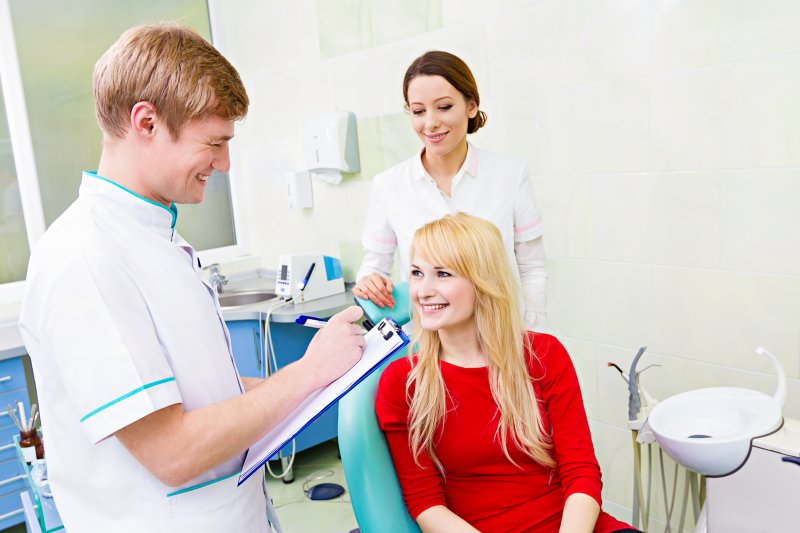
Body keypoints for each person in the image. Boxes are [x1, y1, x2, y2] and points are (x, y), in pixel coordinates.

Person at [17, 23, 365, 532]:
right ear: (147, 122)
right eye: (215, 143)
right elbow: (171, 451)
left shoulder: (154, 237)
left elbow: (200, 390)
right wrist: (306, 373)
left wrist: (314, 383)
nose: (224, 164)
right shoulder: (84, 258)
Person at [375, 213, 638, 532]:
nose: (423, 291)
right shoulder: (404, 382)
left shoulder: (543, 355)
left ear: (482, 283)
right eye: (417, 273)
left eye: (443, 274)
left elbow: (581, 472)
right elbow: (425, 502)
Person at [354, 50, 547, 330]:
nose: (430, 122)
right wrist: (370, 282)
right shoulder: (389, 185)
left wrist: (533, 338)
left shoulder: (509, 175)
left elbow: (533, 269)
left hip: (500, 343)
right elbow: (373, 269)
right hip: (427, 348)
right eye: (419, 111)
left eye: (444, 107)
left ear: (471, 106)